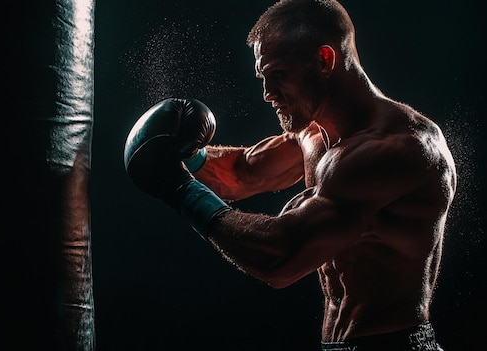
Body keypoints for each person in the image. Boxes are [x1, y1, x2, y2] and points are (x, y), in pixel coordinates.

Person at [123, 0, 456, 350]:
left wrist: (178, 190)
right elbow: (240, 173)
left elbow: (282, 256)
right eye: (263, 77)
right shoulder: (312, 133)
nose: (268, 94)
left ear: (325, 60)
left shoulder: (395, 149)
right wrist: (184, 155)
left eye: (279, 75)